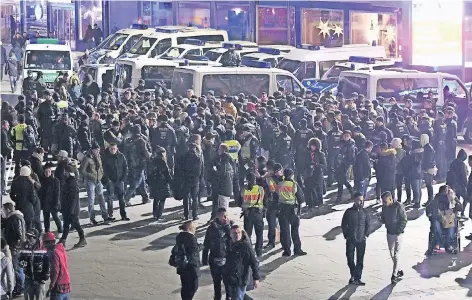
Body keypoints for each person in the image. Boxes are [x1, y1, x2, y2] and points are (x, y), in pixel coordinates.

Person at [202, 208, 232, 300]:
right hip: (214, 257)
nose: (225, 217)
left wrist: (227, 226)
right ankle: (217, 297)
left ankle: (229, 296)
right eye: (223, 215)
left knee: (228, 281)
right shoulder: (212, 228)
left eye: (226, 215)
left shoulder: (230, 226)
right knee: (217, 281)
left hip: (227, 258)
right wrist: (204, 257)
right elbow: (206, 243)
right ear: (218, 216)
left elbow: (232, 238)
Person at [341, 192, 370, 286]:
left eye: (362, 200)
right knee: (350, 258)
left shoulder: (365, 212)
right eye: (359, 200)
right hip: (351, 239)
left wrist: (366, 234)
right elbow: (344, 224)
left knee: (360, 260)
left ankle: (357, 277)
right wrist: (347, 235)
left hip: (361, 239)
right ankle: (353, 274)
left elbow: (368, 224)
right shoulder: (349, 212)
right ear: (354, 200)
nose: (361, 202)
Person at [277, 168, 307, 256]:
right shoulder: (294, 184)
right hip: (292, 209)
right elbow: (301, 198)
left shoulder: (279, 184)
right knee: (295, 230)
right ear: (291, 175)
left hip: (282, 209)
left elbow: (276, 196)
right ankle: (297, 250)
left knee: (285, 231)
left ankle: (287, 251)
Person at [225, 225, 260, 300]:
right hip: (230, 278)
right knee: (238, 296)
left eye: (239, 233)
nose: (237, 235)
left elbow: (254, 262)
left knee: (237, 297)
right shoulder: (228, 243)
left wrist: (256, 278)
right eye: (234, 233)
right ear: (231, 234)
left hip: (240, 279)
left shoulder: (246, 246)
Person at [380, 191, 407, 284]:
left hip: (398, 233)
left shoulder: (398, 206)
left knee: (396, 254)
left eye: (385, 201)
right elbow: (383, 216)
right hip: (389, 232)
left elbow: (404, 219)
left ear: (391, 199)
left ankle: (394, 275)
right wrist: (382, 219)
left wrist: (398, 231)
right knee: (391, 253)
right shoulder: (384, 207)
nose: (384, 203)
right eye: (383, 202)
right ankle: (398, 269)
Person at [80, 142, 110, 225]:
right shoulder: (87, 158)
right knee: (91, 200)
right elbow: (82, 171)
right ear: (92, 150)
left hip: (98, 180)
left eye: (99, 150)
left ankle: (105, 216)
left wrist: (101, 174)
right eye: (96, 150)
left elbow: (100, 168)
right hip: (91, 181)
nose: (98, 151)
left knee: (102, 198)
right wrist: (91, 176)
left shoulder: (98, 156)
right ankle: (92, 218)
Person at [2, 198, 26, 297]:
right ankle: (20, 287)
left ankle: (20, 288)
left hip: (15, 247)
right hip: (17, 246)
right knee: (18, 268)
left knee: (17, 268)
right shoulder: (16, 216)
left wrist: (15, 246)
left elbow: (19, 233)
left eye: (3, 209)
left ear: (8, 209)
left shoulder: (14, 218)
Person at [59, 165, 86, 248]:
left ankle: (82, 239)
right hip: (67, 208)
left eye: (65, 172)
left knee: (76, 224)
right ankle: (63, 240)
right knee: (66, 224)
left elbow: (73, 199)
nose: (64, 173)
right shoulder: (68, 181)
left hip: (72, 209)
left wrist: (70, 210)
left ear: (68, 173)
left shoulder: (72, 183)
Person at [19, 229, 49, 300]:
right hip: (28, 279)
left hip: (40, 280)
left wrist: (44, 277)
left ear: (36, 238)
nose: (28, 240)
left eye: (30, 238)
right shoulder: (24, 246)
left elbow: (47, 264)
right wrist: (22, 263)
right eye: (27, 237)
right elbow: (20, 259)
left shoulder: (43, 247)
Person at [102, 143, 129, 221]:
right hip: (111, 181)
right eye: (111, 149)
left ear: (117, 148)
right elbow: (104, 170)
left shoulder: (121, 156)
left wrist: (123, 178)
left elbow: (125, 168)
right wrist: (108, 180)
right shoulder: (106, 157)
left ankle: (123, 215)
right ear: (109, 149)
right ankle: (110, 215)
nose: (113, 150)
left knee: (121, 198)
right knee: (110, 198)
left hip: (120, 180)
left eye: (114, 149)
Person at [174, 221, 200, 300]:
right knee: (194, 286)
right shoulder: (191, 238)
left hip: (182, 266)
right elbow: (193, 251)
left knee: (185, 285)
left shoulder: (179, 236)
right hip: (191, 266)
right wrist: (200, 246)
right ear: (189, 228)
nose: (195, 229)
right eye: (194, 227)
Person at [10, 166, 41, 232]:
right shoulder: (29, 182)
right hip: (28, 207)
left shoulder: (15, 181)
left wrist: (16, 200)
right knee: (29, 226)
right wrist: (33, 202)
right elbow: (32, 197)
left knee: (20, 225)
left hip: (18, 206)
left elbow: (11, 194)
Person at [241, 172, 265, 257]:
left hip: (247, 214)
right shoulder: (260, 189)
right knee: (259, 234)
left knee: (247, 234)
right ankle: (259, 251)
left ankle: (249, 251)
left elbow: (240, 201)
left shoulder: (244, 190)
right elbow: (264, 200)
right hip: (258, 213)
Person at [42, 233, 71, 300]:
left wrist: (51, 286)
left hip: (58, 285)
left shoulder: (54, 253)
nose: (44, 245)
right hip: (66, 282)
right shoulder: (61, 249)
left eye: (45, 243)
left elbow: (55, 271)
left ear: (50, 242)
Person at [147, 147, 172, 221]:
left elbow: (149, 172)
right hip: (162, 183)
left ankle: (155, 214)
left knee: (156, 199)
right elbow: (166, 173)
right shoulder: (162, 161)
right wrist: (170, 181)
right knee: (162, 199)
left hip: (154, 183)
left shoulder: (153, 160)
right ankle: (159, 215)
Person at [181, 143, 204, 220]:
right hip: (195, 179)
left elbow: (181, 168)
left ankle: (186, 215)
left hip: (186, 179)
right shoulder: (198, 157)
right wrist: (200, 178)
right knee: (195, 198)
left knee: (186, 198)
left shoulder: (185, 156)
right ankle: (195, 215)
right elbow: (201, 168)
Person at [38, 163, 62, 233]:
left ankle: (60, 229)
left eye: (49, 171)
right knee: (46, 218)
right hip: (45, 203)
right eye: (46, 172)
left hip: (53, 202)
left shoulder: (55, 181)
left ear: (51, 172)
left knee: (55, 217)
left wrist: (56, 204)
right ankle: (47, 231)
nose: (47, 173)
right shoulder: (42, 180)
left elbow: (57, 193)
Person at [304, 137, 327, 208]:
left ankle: (320, 202)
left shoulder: (321, 154)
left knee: (319, 189)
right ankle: (311, 203)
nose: (312, 147)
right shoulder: (307, 153)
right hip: (309, 173)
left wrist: (317, 164)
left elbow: (324, 165)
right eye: (311, 145)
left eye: (314, 146)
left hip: (318, 173)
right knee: (309, 189)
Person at [1, 120, 13, 195]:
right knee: (3, 174)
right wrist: (11, 149)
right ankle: (3, 190)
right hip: (2, 155)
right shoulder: (3, 133)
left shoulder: (3, 133)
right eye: (7, 125)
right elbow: (4, 146)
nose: (8, 126)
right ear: (2, 125)